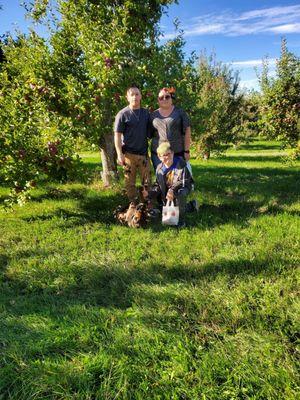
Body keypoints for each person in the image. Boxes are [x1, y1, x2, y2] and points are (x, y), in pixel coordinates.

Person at [114, 86, 151, 203]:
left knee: (147, 182)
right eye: (132, 94)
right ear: (127, 97)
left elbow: (151, 132)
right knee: (130, 183)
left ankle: (146, 204)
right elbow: (117, 136)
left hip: (144, 155)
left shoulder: (146, 113)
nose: (134, 96)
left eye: (137, 94)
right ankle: (133, 204)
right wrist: (119, 154)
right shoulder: (122, 114)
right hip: (129, 155)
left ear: (140, 96)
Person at [149, 141, 197, 228]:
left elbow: (184, 181)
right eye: (164, 155)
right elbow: (158, 184)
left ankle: (181, 221)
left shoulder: (180, 163)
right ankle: (191, 206)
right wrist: (149, 194)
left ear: (173, 153)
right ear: (159, 157)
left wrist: (172, 190)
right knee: (171, 207)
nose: (167, 157)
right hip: (167, 192)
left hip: (183, 187)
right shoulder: (159, 168)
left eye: (169, 154)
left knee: (180, 193)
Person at [150, 87, 192, 170]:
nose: (164, 99)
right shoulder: (153, 115)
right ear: (158, 100)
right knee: (161, 178)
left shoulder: (180, 112)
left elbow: (187, 131)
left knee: (178, 179)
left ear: (171, 98)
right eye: (161, 97)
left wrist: (186, 151)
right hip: (159, 155)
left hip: (177, 153)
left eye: (167, 96)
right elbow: (149, 133)